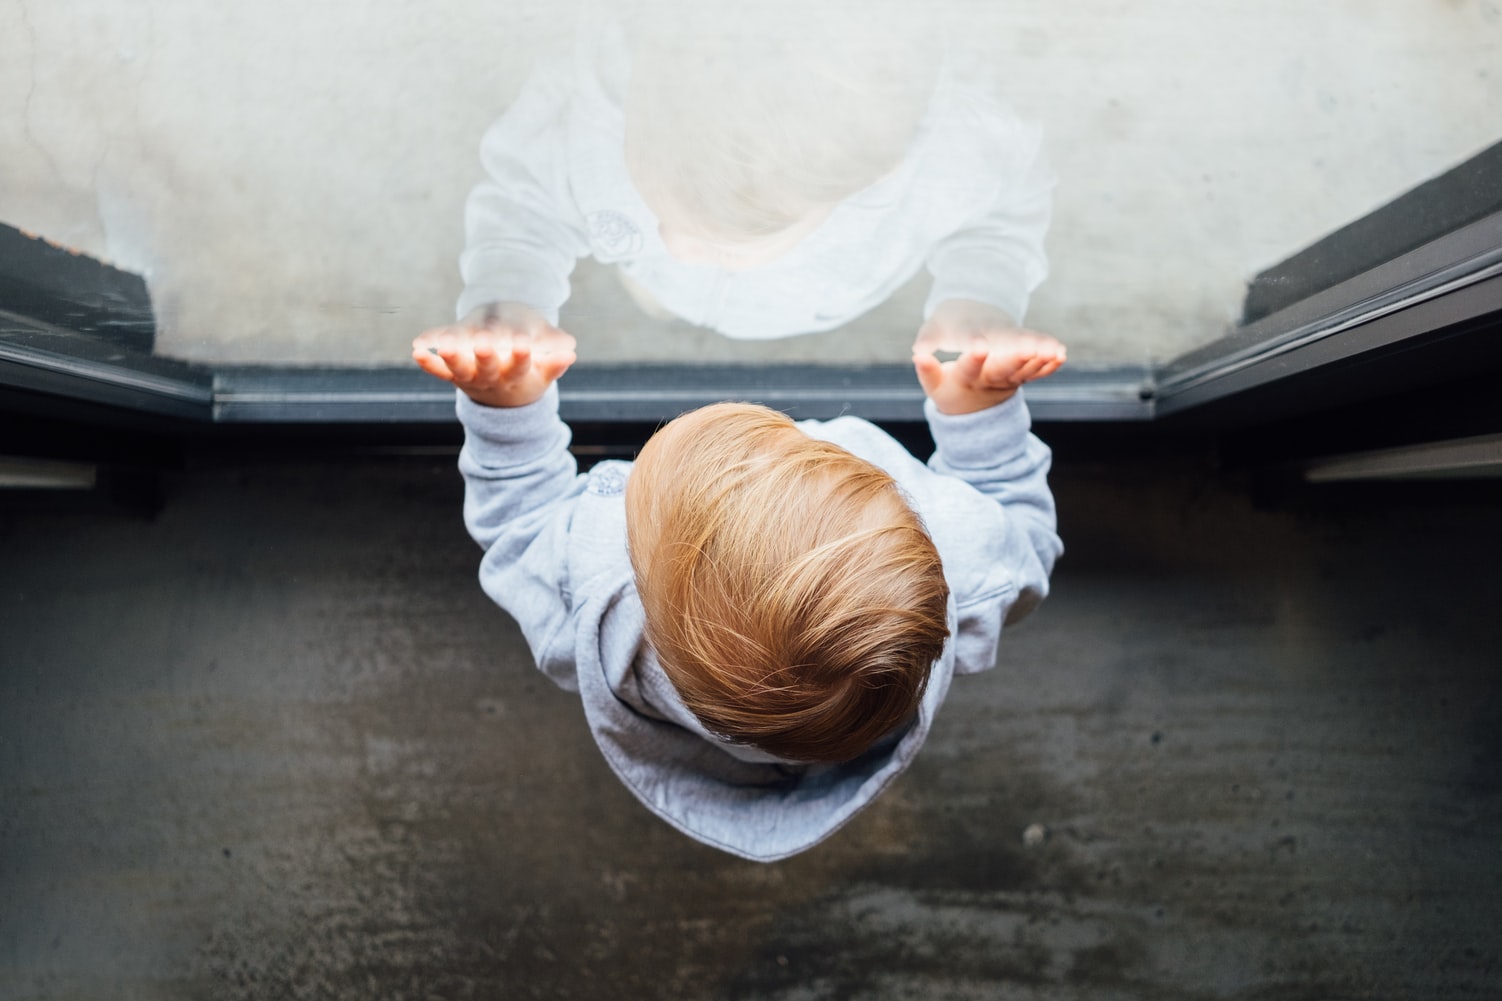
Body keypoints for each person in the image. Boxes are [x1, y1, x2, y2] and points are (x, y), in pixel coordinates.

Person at [409, 322, 1066, 861]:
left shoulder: (596, 595)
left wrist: (506, 405)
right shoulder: (960, 550)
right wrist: (980, 413)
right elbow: (1025, 538)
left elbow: (523, 526)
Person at [455, 2, 1053, 349]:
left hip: (827, 303)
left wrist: (978, 297)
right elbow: (526, 203)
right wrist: (508, 295)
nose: (674, 245)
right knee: (660, 281)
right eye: (660, 209)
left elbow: (999, 220)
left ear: (866, 181)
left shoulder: (954, 158)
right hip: (654, 287)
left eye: (719, 239)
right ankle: (667, 302)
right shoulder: (586, 113)